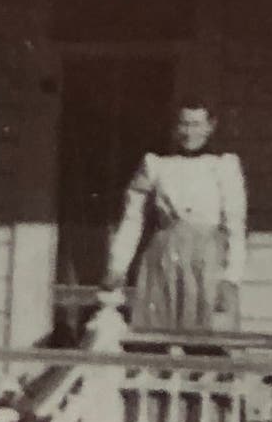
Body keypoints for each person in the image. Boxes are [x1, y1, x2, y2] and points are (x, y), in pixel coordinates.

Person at [105, 98, 248, 335]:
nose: (189, 132)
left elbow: (235, 225)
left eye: (196, 124)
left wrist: (232, 277)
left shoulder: (224, 166)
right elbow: (133, 218)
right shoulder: (156, 164)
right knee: (157, 331)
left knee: (207, 332)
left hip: (208, 260)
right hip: (164, 258)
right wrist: (117, 266)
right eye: (183, 124)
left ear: (210, 126)